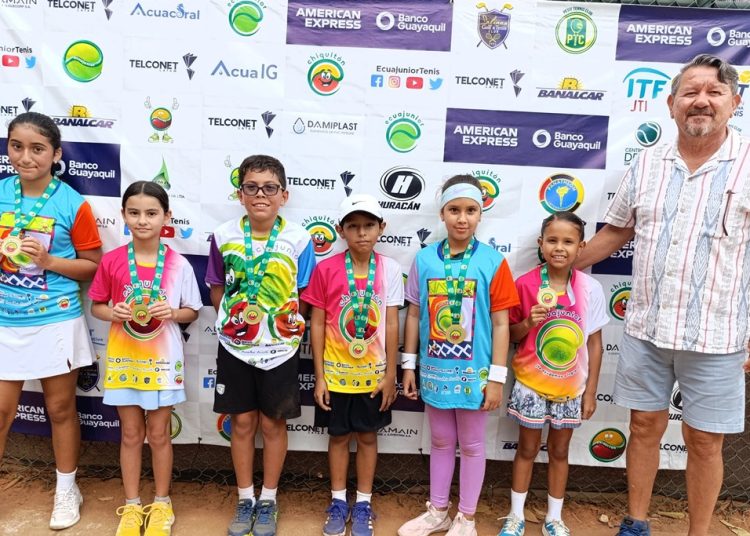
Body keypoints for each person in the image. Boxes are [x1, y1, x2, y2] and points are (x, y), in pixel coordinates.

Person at [576, 54, 750, 536]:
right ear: (672, 104)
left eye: (714, 92)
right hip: (646, 329)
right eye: (690, 92)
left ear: (734, 102)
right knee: (643, 428)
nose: (701, 101)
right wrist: (558, 267)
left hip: (718, 335)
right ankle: (636, 522)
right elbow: (616, 231)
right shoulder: (648, 163)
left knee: (705, 442)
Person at [398, 175, 520, 536]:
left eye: (470, 210)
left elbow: (501, 324)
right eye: (454, 210)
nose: (462, 218)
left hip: (475, 374)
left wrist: (496, 378)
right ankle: (438, 511)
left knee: (471, 444)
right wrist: (409, 365)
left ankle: (467, 518)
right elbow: (414, 314)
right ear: (442, 213)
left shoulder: (493, 261)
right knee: (439, 441)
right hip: (435, 370)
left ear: (481, 214)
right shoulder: (424, 259)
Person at [0, 112, 102, 529]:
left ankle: (66, 489)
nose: (25, 157)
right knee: (1, 411)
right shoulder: (0, 192)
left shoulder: (72, 203)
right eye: (16, 146)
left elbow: (92, 266)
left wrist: (48, 261)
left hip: (54, 318)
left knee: (60, 408)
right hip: (5, 319)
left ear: (56, 155)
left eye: (37, 149)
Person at [205, 154, 315, 536]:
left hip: (279, 349)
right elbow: (216, 287)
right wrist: (237, 326)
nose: (260, 195)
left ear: (284, 195)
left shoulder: (299, 239)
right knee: (242, 423)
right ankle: (244, 497)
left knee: (272, 422)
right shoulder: (223, 235)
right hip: (236, 347)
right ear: (240, 194)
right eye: (251, 187)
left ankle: (268, 499)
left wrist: (281, 330)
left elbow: (303, 294)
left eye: (269, 188)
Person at [89, 181, 202, 536]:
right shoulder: (112, 261)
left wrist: (172, 312)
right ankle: (132, 506)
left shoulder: (179, 264)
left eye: (151, 213)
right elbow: (97, 306)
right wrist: (113, 313)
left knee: (159, 434)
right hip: (125, 359)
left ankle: (162, 504)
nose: (142, 220)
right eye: (134, 213)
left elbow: (192, 311)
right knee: (130, 434)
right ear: (123, 215)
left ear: (167, 217)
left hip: (163, 362)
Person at [498, 212, 608, 536]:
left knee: (560, 452)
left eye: (568, 241)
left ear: (581, 247)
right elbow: (510, 335)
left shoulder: (590, 289)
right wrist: (528, 322)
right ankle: (515, 516)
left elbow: (595, 344)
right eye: (553, 240)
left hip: (571, 388)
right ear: (541, 243)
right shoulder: (525, 284)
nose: (559, 248)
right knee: (527, 450)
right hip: (531, 383)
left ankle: (554, 518)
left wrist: (590, 392)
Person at [302, 194, 404, 536]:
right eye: (354, 226)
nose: (362, 232)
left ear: (381, 228)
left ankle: (363, 503)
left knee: (368, 437)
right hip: (335, 375)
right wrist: (319, 377)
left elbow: (391, 322)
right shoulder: (326, 268)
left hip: (372, 377)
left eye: (369, 225)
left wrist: (390, 375)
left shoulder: (389, 269)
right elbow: (317, 323)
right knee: (338, 438)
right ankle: (337, 501)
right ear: (340, 230)